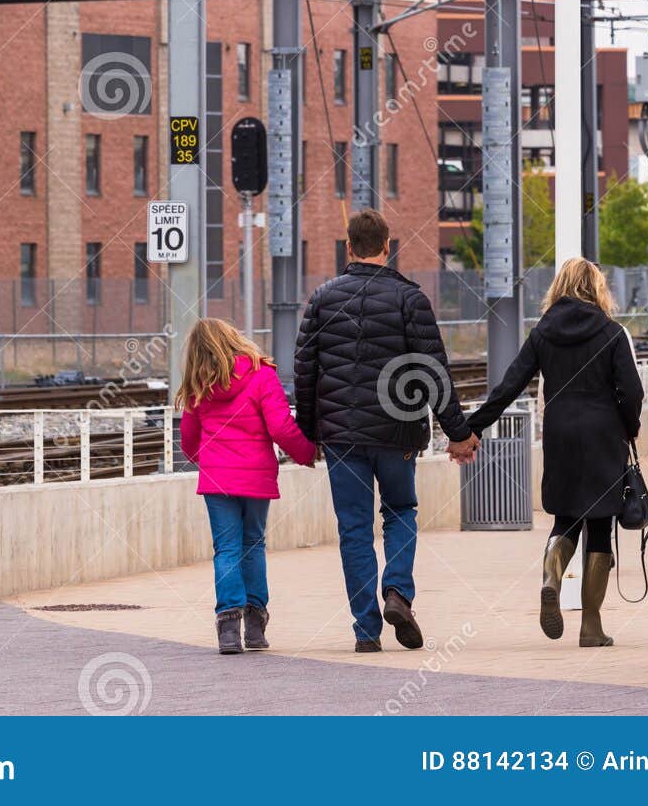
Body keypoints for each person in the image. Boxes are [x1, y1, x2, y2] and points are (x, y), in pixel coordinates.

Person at [293, 208, 479, 654]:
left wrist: (307, 434)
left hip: (342, 438)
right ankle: (397, 592)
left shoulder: (322, 298)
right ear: (387, 245)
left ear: (349, 246)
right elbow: (433, 369)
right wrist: (457, 432)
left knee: (354, 529)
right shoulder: (409, 299)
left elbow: (304, 370)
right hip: (398, 432)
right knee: (399, 512)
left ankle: (365, 631)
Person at [466, 258, 643, 649]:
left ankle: (551, 573)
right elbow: (632, 391)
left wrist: (471, 428)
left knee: (566, 516)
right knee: (599, 527)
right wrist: (629, 426)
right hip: (602, 434)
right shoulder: (611, 333)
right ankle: (591, 627)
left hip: (560, 432)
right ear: (597, 288)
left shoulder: (543, 332)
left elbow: (510, 385)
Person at [177, 317, 316, 655]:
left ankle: (228, 628)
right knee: (252, 544)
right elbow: (281, 427)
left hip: (217, 480)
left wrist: (210, 461)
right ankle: (255, 626)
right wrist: (306, 453)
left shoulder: (199, 385)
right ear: (234, 339)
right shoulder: (261, 375)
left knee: (226, 549)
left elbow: (188, 440)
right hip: (256, 476)